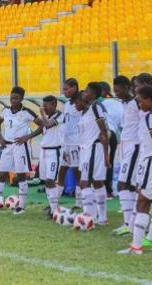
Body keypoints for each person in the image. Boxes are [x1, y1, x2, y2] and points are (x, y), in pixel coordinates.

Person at [0, 86, 43, 215]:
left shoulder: (27, 112)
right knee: (1, 174)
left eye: (16, 98)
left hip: (20, 146)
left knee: (20, 175)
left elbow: (42, 126)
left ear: (22, 99)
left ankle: (21, 206)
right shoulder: (6, 111)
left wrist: (27, 137)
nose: (13, 100)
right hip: (7, 147)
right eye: (11, 97)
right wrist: (1, 138)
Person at [118, 86, 152, 254]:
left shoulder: (151, 117)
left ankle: (136, 246)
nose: (139, 104)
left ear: (150, 100)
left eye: (141, 101)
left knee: (143, 202)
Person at [113, 73, 152, 236]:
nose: (116, 93)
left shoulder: (139, 102)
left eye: (136, 85)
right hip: (127, 145)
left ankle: (129, 224)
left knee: (123, 184)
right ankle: (132, 222)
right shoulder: (130, 103)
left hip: (135, 147)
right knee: (129, 185)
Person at [78, 83, 110, 225]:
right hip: (87, 149)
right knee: (96, 182)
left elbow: (103, 132)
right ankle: (101, 218)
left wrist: (106, 155)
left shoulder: (96, 107)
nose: (84, 93)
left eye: (86, 91)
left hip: (93, 149)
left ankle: (88, 216)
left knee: (85, 182)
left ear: (93, 94)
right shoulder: (88, 109)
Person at [58, 78, 82, 209]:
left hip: (76, 142)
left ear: (75, 88)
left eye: (66, 89)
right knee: (62, 171)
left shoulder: (80, 105)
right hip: (66, 143)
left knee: (76, 172)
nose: (64, 91)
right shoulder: (67, 104)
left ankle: (79, 203)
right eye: (64, 89)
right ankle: (54, 203)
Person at [99, 81, 124, 198]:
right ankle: (108, 190)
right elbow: (121, 123)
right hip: (112, 134)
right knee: (109, 161)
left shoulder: (96, 103)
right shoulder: (118, 103)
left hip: (101, 134)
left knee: (101, 162)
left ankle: (103, 189)